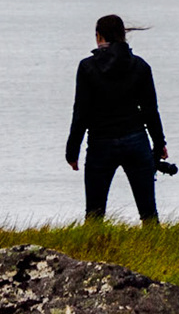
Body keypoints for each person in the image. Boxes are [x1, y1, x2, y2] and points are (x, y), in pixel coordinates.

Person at [64, 13, 169, 224]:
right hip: (136, 140)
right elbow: (150, 111)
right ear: (123, 35)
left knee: (94, 215)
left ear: (98, 36)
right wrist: (159, 144)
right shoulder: (141, 66)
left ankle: (92, 255)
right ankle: (155, 253)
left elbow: (81, 112)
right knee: (149, 214)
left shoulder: (87, 67)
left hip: (100, 143)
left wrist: (72, 150)